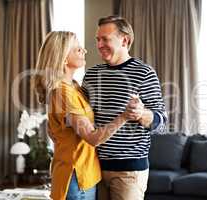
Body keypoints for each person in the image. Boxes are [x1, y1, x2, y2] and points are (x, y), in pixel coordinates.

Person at [33, 31, 129, 200]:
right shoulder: (62, 93)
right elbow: (92, 137)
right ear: (63, 58)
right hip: (75, 178)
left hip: (85, 174)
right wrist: (125, 116)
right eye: (77, 49)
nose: (84, 50)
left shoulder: (75, 87)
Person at [81, 15, 167, 200]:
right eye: (98, 39)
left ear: (125, 40)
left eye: (105, 39)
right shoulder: (91, 75)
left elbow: (161, 124)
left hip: (129, 173)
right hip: (94, 168)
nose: (99, 45)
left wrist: (141, 114)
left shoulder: (144, 73)